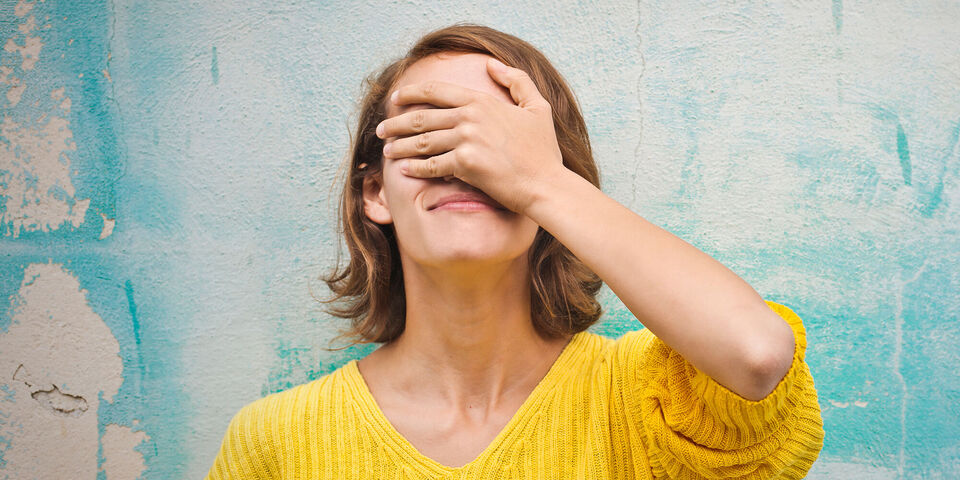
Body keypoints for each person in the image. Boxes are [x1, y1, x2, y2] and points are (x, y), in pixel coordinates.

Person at [206, 24, 824, 479]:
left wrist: (540, 183)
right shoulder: (277, 442)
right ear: (376, 193)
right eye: (428, 131)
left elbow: (757, 355)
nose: (465, 162)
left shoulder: (647, 398)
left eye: (498, 138)